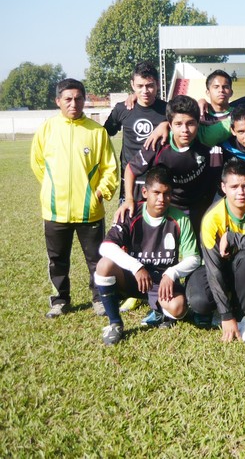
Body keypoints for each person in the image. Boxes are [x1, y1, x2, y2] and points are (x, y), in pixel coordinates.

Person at [30, 78, 119, 318]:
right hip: (55, 210)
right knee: (57, 260)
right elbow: (38, 164)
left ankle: (99, 299)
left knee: (96, 259)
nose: (73, 103)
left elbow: (110, 168)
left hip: (89, 209)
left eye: (78, 98)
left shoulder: (97, 132)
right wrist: (52, 188)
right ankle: (60, 300)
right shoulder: (47, 129)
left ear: (84, 100)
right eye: (68, 99)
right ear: (58, 101)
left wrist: (99, 193)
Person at [94, 166, 200, 345]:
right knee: (104, 265)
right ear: (145, 192)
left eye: (166, 194)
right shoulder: (130, 213)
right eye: (156, 193)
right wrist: (136, 267)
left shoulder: (180, 219)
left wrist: (171, 273)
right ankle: (115, 323)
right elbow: (106, 247)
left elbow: (194, 258)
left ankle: (160, 311)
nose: (161, 199)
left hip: (161, 282)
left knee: (179, 308)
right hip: (132, 277)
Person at [187, 159, 245, 343]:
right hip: (218, 268)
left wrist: (234, 237)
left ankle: (243, 316)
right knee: (199, 301)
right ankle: (223, 310)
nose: (241, 192)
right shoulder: (212, 218)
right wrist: (226, 316)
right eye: (234, 187)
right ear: (223, 187)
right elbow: (213, 270)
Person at [118, 95, 225, 236]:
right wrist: (129, 199)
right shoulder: (158, 143)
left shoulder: (206, 136)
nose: (185, 130)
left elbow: (238, 120)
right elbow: (130, 169)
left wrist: (203, 100)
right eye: (178, 124)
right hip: (171, 205)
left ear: (198, 123)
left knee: (201, 245)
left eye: (190, 123)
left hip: (202, 204)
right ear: (170, 125)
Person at [103, 61, 167, 203]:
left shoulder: (168, 110)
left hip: (159, 183)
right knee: (129, 217)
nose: (145, 91)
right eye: (140, 86)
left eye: (150, 85)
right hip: (130, 182)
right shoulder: (122, 109)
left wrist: (167, 124)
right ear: (132, 85)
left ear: (157, 84)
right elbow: (103, 134)